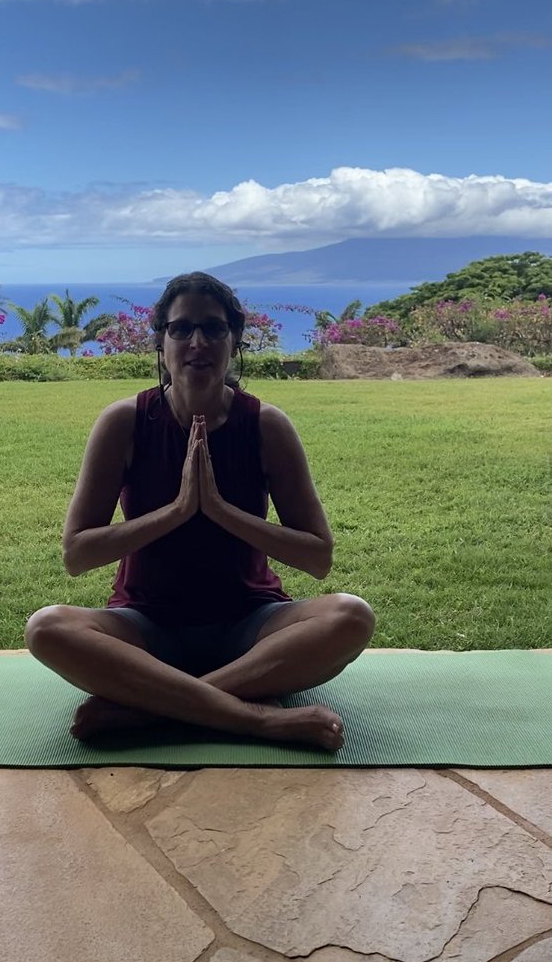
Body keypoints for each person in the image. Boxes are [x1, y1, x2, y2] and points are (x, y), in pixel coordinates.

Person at [25, 272, 375, 751]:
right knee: (47, 628)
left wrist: (219, 510)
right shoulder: (125, 423)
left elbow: (317, 558)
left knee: (351, 616)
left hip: (251, 624)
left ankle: (151, 706)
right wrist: (176, 510)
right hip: (144, 625)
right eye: (181, 328)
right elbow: (77, 554)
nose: (197, 342)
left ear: (233, 340)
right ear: (161, 341)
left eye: (213, 328)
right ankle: (254, 718)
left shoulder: (265, 426)